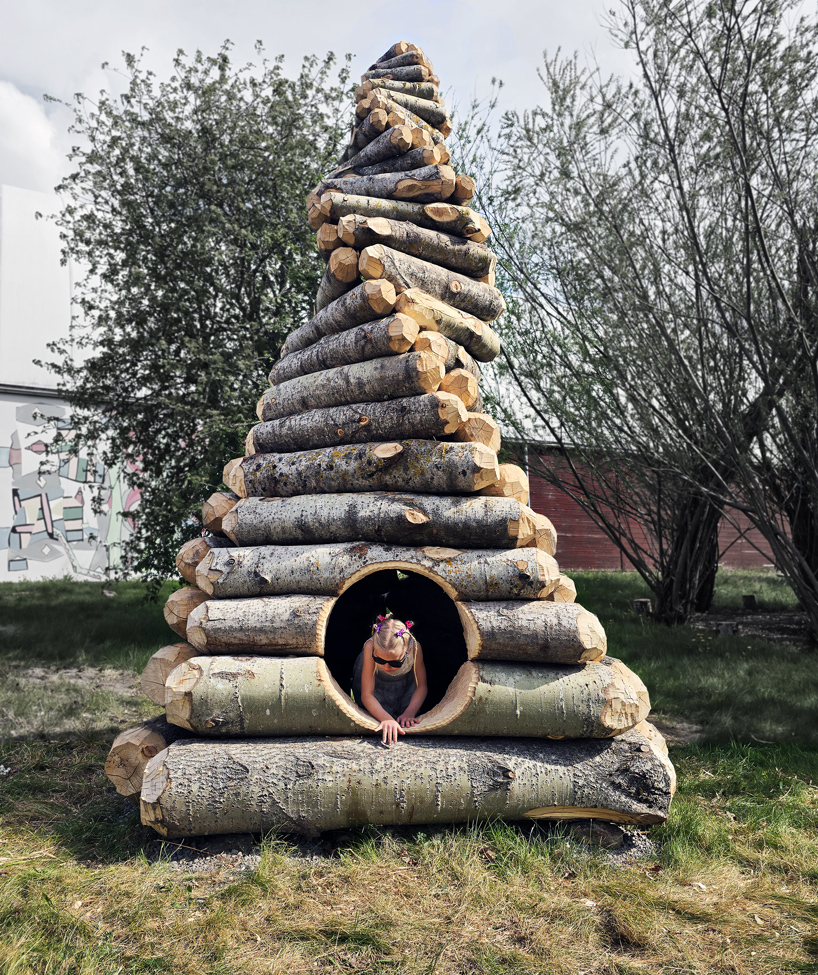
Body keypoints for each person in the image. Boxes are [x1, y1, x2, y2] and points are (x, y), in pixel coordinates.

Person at [352, 614, 427, 745]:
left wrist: (410, 712)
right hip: (376, 686)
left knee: (405, 718)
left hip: (404, 686)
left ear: (407, 650)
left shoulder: (415, 647)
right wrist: (386, 719)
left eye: (395, 663)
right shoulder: (370, 646)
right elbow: (367, 694)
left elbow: (421, 686)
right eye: (379, 660)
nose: (386, 666)